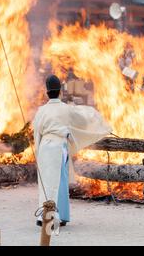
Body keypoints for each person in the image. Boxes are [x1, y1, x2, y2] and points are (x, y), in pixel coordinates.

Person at [33, 75, 111, 227]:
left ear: (46, 92)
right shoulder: (66, 109)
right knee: (59, 182)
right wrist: (95, 117)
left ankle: (45, 215)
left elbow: (37, 132)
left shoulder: (41, 111)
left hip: (44, 147)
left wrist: (38, 151)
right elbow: (83, 120)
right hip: (58, 147)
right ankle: (58, 216)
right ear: (60, 91)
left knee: (46, 182)